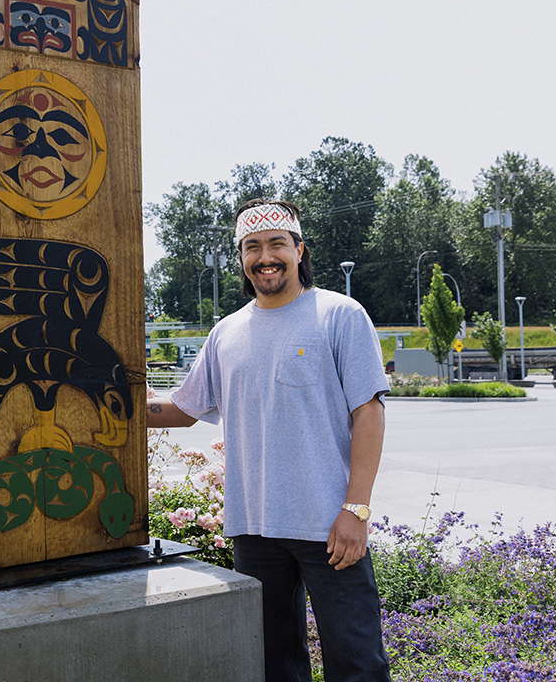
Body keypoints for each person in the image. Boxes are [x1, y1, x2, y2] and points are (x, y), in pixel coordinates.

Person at [148, 198, 390, 681]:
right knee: (274, 664)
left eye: (277, 244)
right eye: (252, 247)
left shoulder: (340, 315)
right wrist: (113, 400)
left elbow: (369, 411)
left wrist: (356, 510)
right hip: (254, 529)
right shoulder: (226, 333)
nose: (265, 256)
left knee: (357, 662)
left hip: (329, 526)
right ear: (242, 258)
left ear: (299, 250)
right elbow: (182, 409)